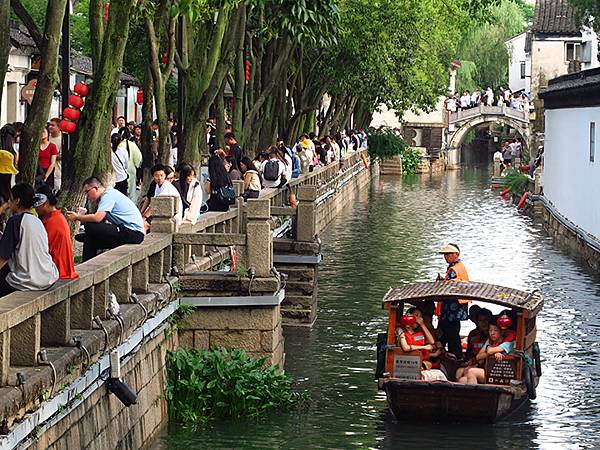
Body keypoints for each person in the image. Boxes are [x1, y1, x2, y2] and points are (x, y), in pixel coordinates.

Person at [66, 177, 145, 261]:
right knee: (90, 240)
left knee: (89, 226)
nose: (87, 196)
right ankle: (87, 266)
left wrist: (77, 217)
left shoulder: (108, 195)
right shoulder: (105, 197)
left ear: (95, 188)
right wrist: (85, 215)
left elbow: (97, 218)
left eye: (87, 192)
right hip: (126, 232)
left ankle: (87, 235)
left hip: (133, 233)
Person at [0, 183, 59, 296]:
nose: (8, 203)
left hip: (29, 282)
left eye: (10, 200)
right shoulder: (37, 221)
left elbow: (3, 256)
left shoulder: (15, 221)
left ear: (17, 201)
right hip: (48, 277)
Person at [33, 186, 78, 279]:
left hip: (58, 271)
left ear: (44, 204)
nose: (35, 208)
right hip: (60, 268)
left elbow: (41, 249)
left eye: (37, 206)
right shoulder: (56, 217)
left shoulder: (52, 221)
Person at [436, 243, 469, 358]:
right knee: (454, 330)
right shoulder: (460, 266)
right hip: (459, 303)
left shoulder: (454, 269)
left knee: (450, 331)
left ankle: (454, 355)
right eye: (445, 254)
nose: (446, 257)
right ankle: (455, 354)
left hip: (453, 305)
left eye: (449, 254)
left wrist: (441, 284)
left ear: (456, 254)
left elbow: (450, 286)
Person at [455, 306, 491, 381]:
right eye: (480, 320)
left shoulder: (492, 336)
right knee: (459, 372)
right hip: (474, 363)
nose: (483, 323)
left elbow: (485, 356)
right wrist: (468, 362)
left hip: (486, 367)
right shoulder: (473, 334)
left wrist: (475, 365)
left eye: (486, 320)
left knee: (464, 378)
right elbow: (469, 353)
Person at [48, 118, 63, 190]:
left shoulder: (62, 139)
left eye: (52, 125)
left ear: (59, 127)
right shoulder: (46, 137)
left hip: (57, 171)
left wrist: (50, 155)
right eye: (49, 125)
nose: (50, 127)